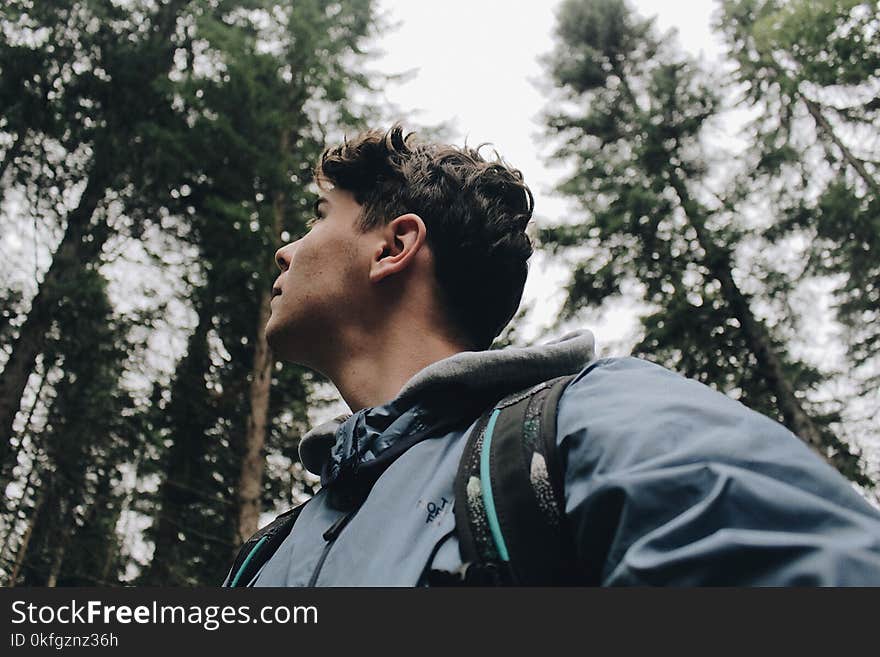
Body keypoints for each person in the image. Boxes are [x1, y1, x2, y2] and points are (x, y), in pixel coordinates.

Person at [223, 124, 880, 586]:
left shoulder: (592, 422)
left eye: (317, 216)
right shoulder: (265, 555)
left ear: (394, 246)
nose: (286, 251)